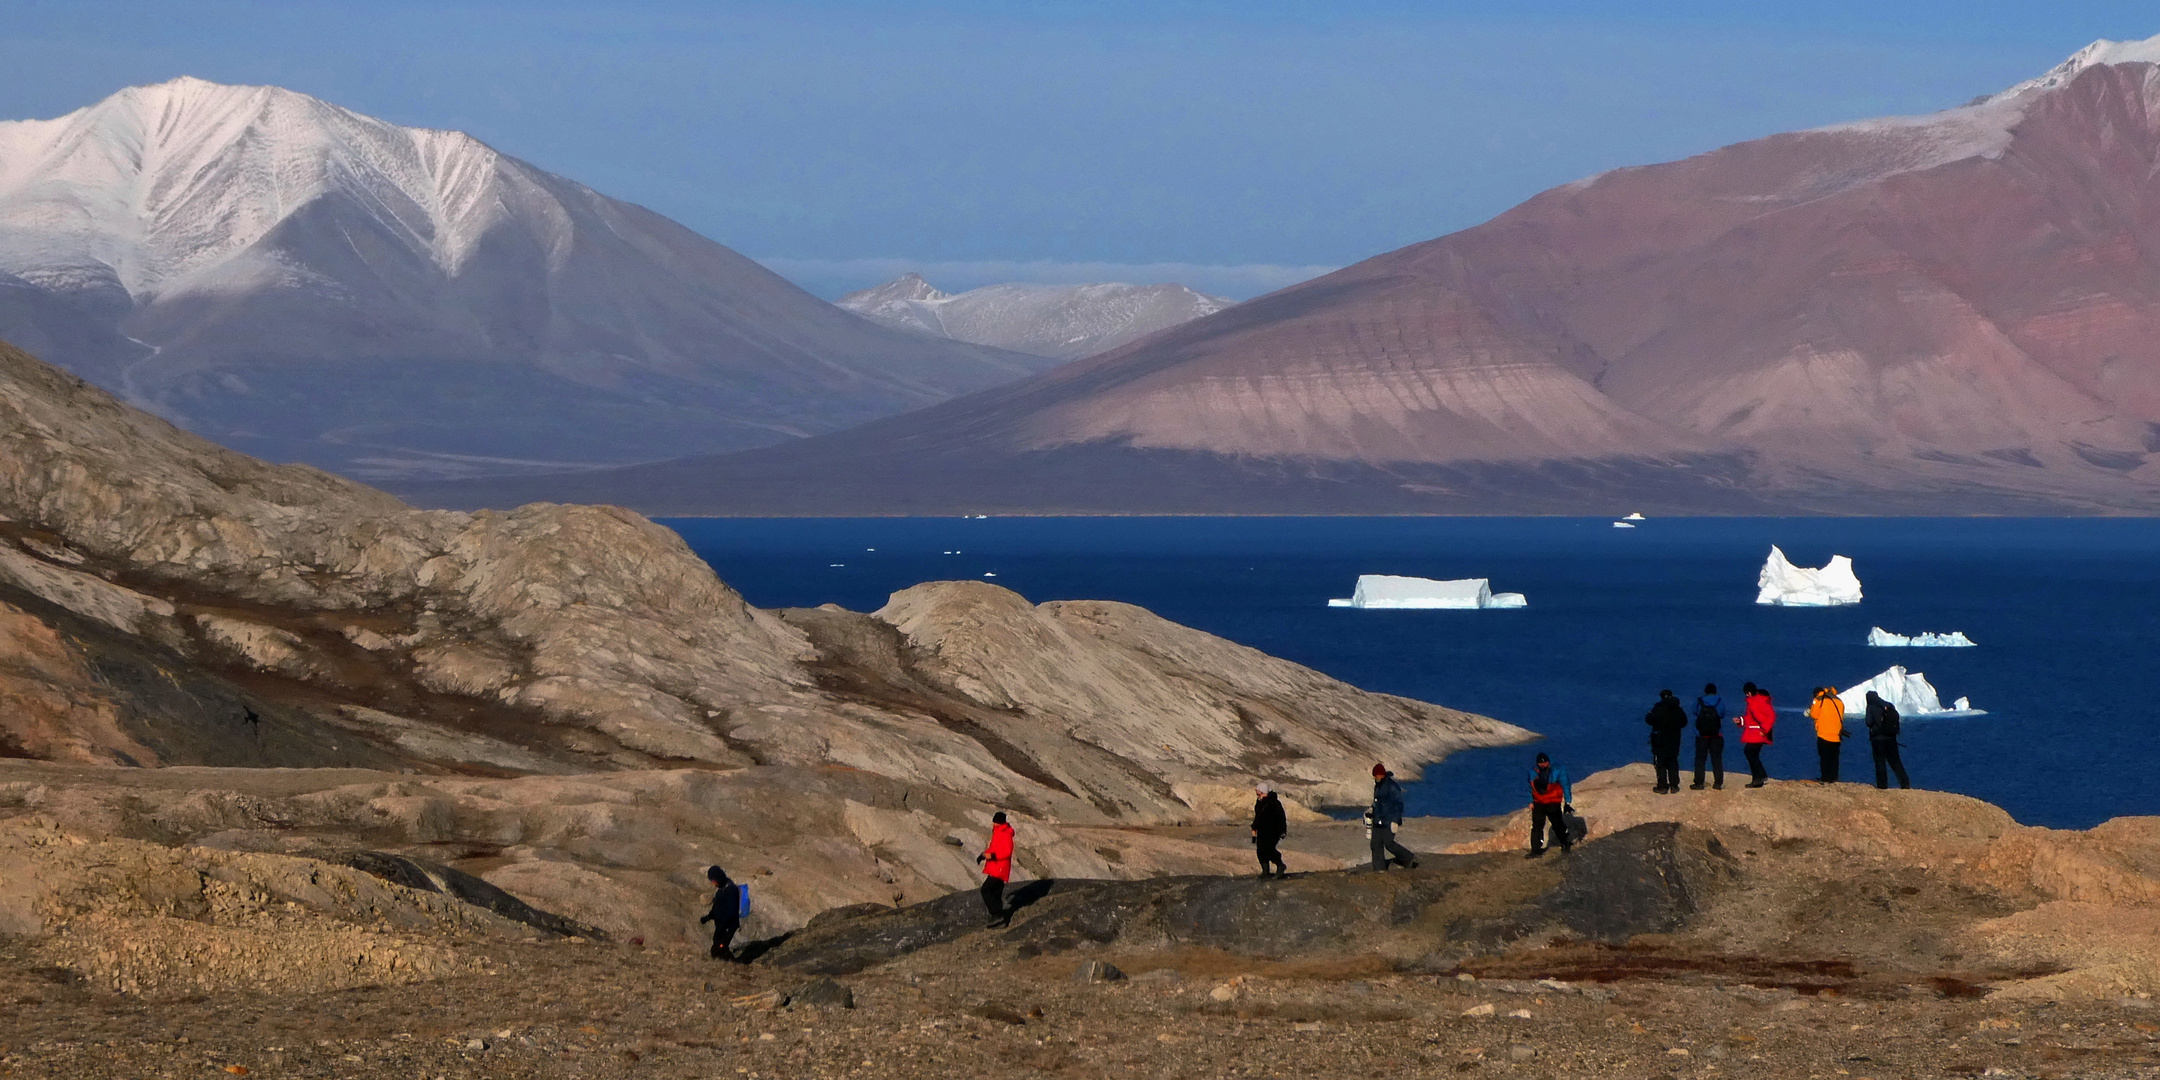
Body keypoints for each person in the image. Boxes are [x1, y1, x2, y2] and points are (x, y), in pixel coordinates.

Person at [1367, 763, 1418, 871]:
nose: (1375, 778)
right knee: (1375, 844)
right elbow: (1377, 802)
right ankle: (1379, 869)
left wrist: (1395, 821)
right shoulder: (1378, 786)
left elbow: (1398, 804)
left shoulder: (1392, 786)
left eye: (1375, 776)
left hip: (1388, 820)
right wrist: (1371, 810)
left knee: (1389, 843)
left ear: (1380, 775)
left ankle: (1408, 857)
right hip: (1378, 820)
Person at [1527, 752, 1573, 858]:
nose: (1542, 765)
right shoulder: (1533, 772)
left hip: (1553, 801)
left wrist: (1568, 802)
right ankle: (1535, 850)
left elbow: (1565, 785)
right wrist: (1530, 801)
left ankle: (1565, 843)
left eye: (1544, 762)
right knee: (1537, 826)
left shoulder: (1558, 770)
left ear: (1548, 762)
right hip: (1539, 802)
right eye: (1540, 763)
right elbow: (1530, 788)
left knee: (1557, 824)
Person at [1864, 690, 1911, 789]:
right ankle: (1905, 783)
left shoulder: (1871, 706)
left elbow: (1868, 722)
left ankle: (1882, 785)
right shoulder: (1889, 705)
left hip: (1878, 739)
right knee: (1895, 761)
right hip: (1891, 738)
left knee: (1880, 762)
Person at [1645, 689, 1690, 793]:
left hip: (1660, 739)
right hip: (1674, 739)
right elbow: (1684, 722)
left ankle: (1662, 786)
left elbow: (1649, 719)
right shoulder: (1678, 709)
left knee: (1660, 762)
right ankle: (1674, 786)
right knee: (1673, 761)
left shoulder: (1658, 708)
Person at [976, 811, 1015, 928]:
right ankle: (1000, 920)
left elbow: (1007, 852)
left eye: (995, 823)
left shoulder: (1005, 834)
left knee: (986, 890)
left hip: (1000, 868)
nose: (993, 825)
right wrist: (984, 855)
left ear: (1000, 823)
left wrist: (992, 856)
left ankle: (997, 915)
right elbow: (994, 848)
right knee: (996, 892)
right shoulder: (998, 832)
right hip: (995, 867)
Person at [697, 865, 741, 961]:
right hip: (721, 925)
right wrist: (708, 917)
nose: (713, 884)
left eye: (714, 881)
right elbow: (717, 907)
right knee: (717, 946)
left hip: (728, 926)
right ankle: (730, 964)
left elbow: (731, 912)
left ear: (718, 878)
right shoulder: (721, 889)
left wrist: (722, 927)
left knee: (720, 948)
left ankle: (733, 965)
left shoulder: (731, 889)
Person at [1736, 682, 1776, 787]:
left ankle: (1760, 776)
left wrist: (1764, 729)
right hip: (1754, 733)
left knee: (1750, 752)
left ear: (1749, 692)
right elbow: (1750, 718)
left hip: (1758, 734)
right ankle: (1757, 779)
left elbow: (1770, 716)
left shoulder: (1758, 701)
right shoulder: (1753, 701)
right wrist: (1740, 720)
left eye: (1746, 693)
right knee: (1751, 753)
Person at [1690, 683, 1727, 790]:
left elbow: (1694, 712)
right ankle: (1718, 783)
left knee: (1700, 759)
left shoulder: (1699, 701)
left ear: (1705, 691)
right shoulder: (1719, 701)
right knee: (1716, 759)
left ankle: (1699, 782)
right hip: (1716, 735)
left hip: (1701, 735)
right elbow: (1722, 714)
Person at [1251, 782, 1288, 879]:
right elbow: (1258, 817)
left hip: (1273, 831)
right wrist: (1254, 827)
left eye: (1260, 794)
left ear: (1265, 792)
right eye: (1258, 794)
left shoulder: (1274, 803)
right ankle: (1265, 872)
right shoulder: (1259, 803)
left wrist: (1283, 830)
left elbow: (1281, 818)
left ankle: (1280, 865)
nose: (1259, 796)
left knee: (1268, 849)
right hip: (1262, 830)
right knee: (1260, 851)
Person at [1809, 686, 1847, 783]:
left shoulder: (1818, 699)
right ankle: (1834, 778)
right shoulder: (1839, 701)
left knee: (1824, 757)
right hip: (1836, 734)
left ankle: (1825, 777)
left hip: (1824, 733)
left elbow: (1814, 714)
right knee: (1834, 758)